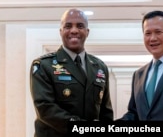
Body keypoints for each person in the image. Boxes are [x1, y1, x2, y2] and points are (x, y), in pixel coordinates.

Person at [30, 8, 113, 137]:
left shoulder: (100, 67)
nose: (74, 30)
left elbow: (106, 112)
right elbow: (45, 108)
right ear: (61, 31)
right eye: (68, 26)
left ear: (87, 31)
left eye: (80, 26)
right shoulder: (44, 65)